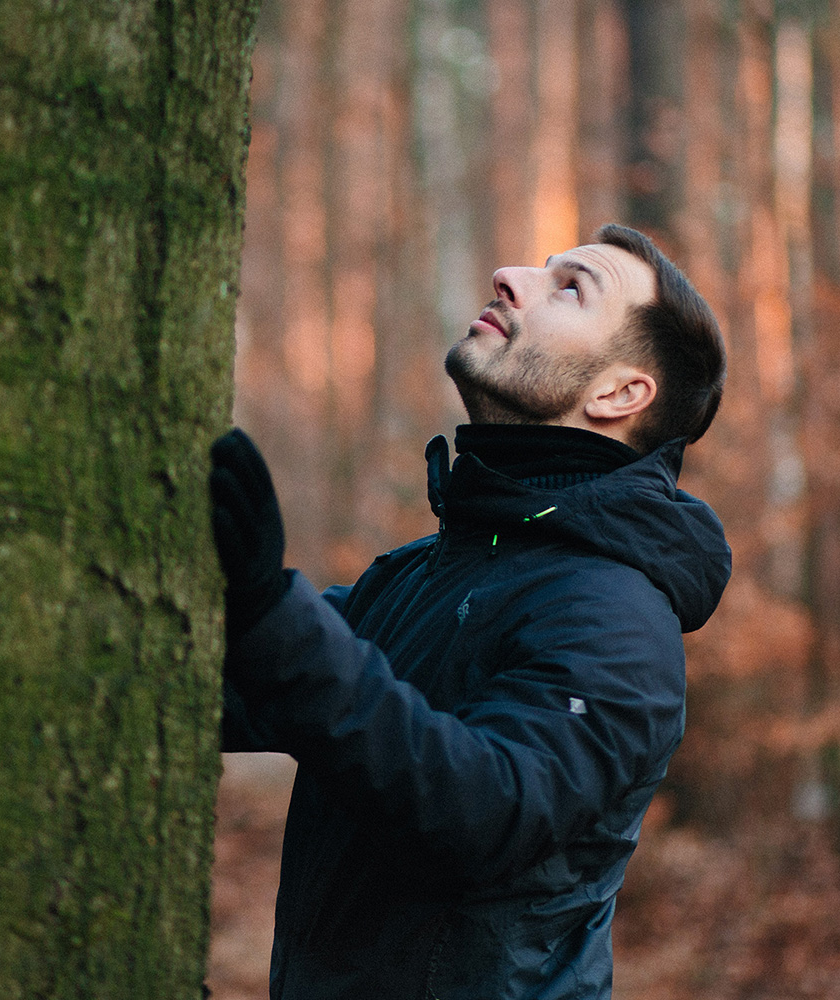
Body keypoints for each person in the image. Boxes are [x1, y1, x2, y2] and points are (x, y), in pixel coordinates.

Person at [209, 223, 732, 1000]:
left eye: (570, 287)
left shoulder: (618, 618)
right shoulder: (425, 574)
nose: (508, 274)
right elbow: (242, 691)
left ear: (618, 393)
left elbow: (483, 816)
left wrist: (268, 610)